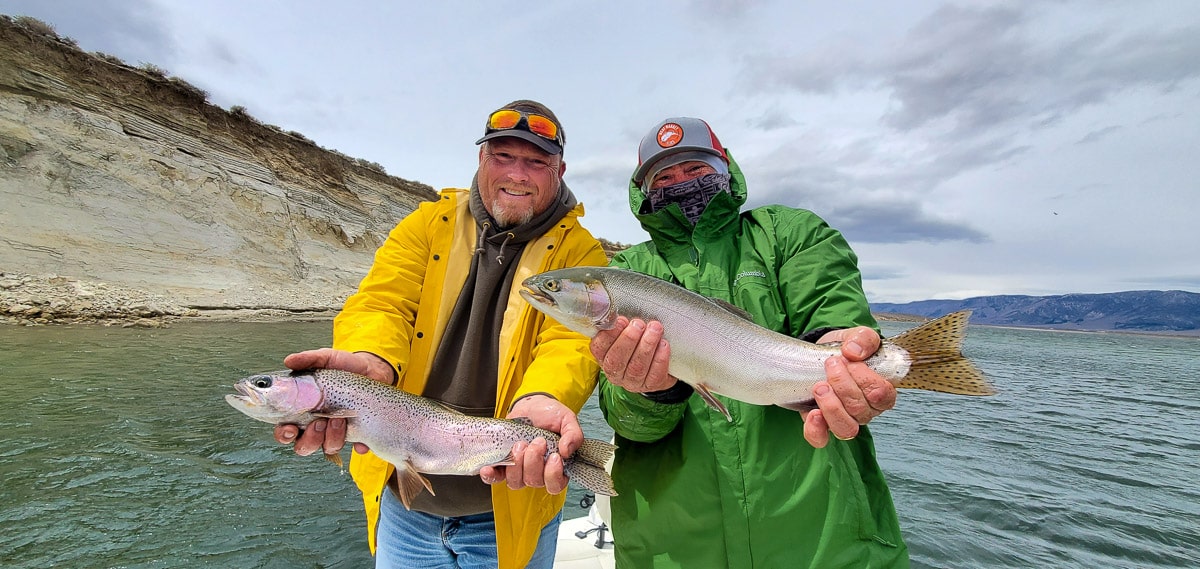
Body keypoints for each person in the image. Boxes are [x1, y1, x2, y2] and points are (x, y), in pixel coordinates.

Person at [273, 100, 609, 569]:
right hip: (404, 507)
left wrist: (545, 394)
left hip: (511, 503)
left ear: (560, 171)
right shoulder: (428, 224)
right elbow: (382, 303)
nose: (518, 173)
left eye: (536, 161)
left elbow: (571, 341)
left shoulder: (581, 251)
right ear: (481, 160)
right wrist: (372, 358)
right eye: (503, 156)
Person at [591, 117, 910, 567]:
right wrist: (647, 391)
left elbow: (834, 312)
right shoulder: (629, 272)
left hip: (823, 540)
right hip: (673, 547)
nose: (680, 183)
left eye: (696, 169)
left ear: (725, 169)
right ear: (642, 191)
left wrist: (842, 349)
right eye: (662, 177)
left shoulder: (791, 233)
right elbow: (631, 425)